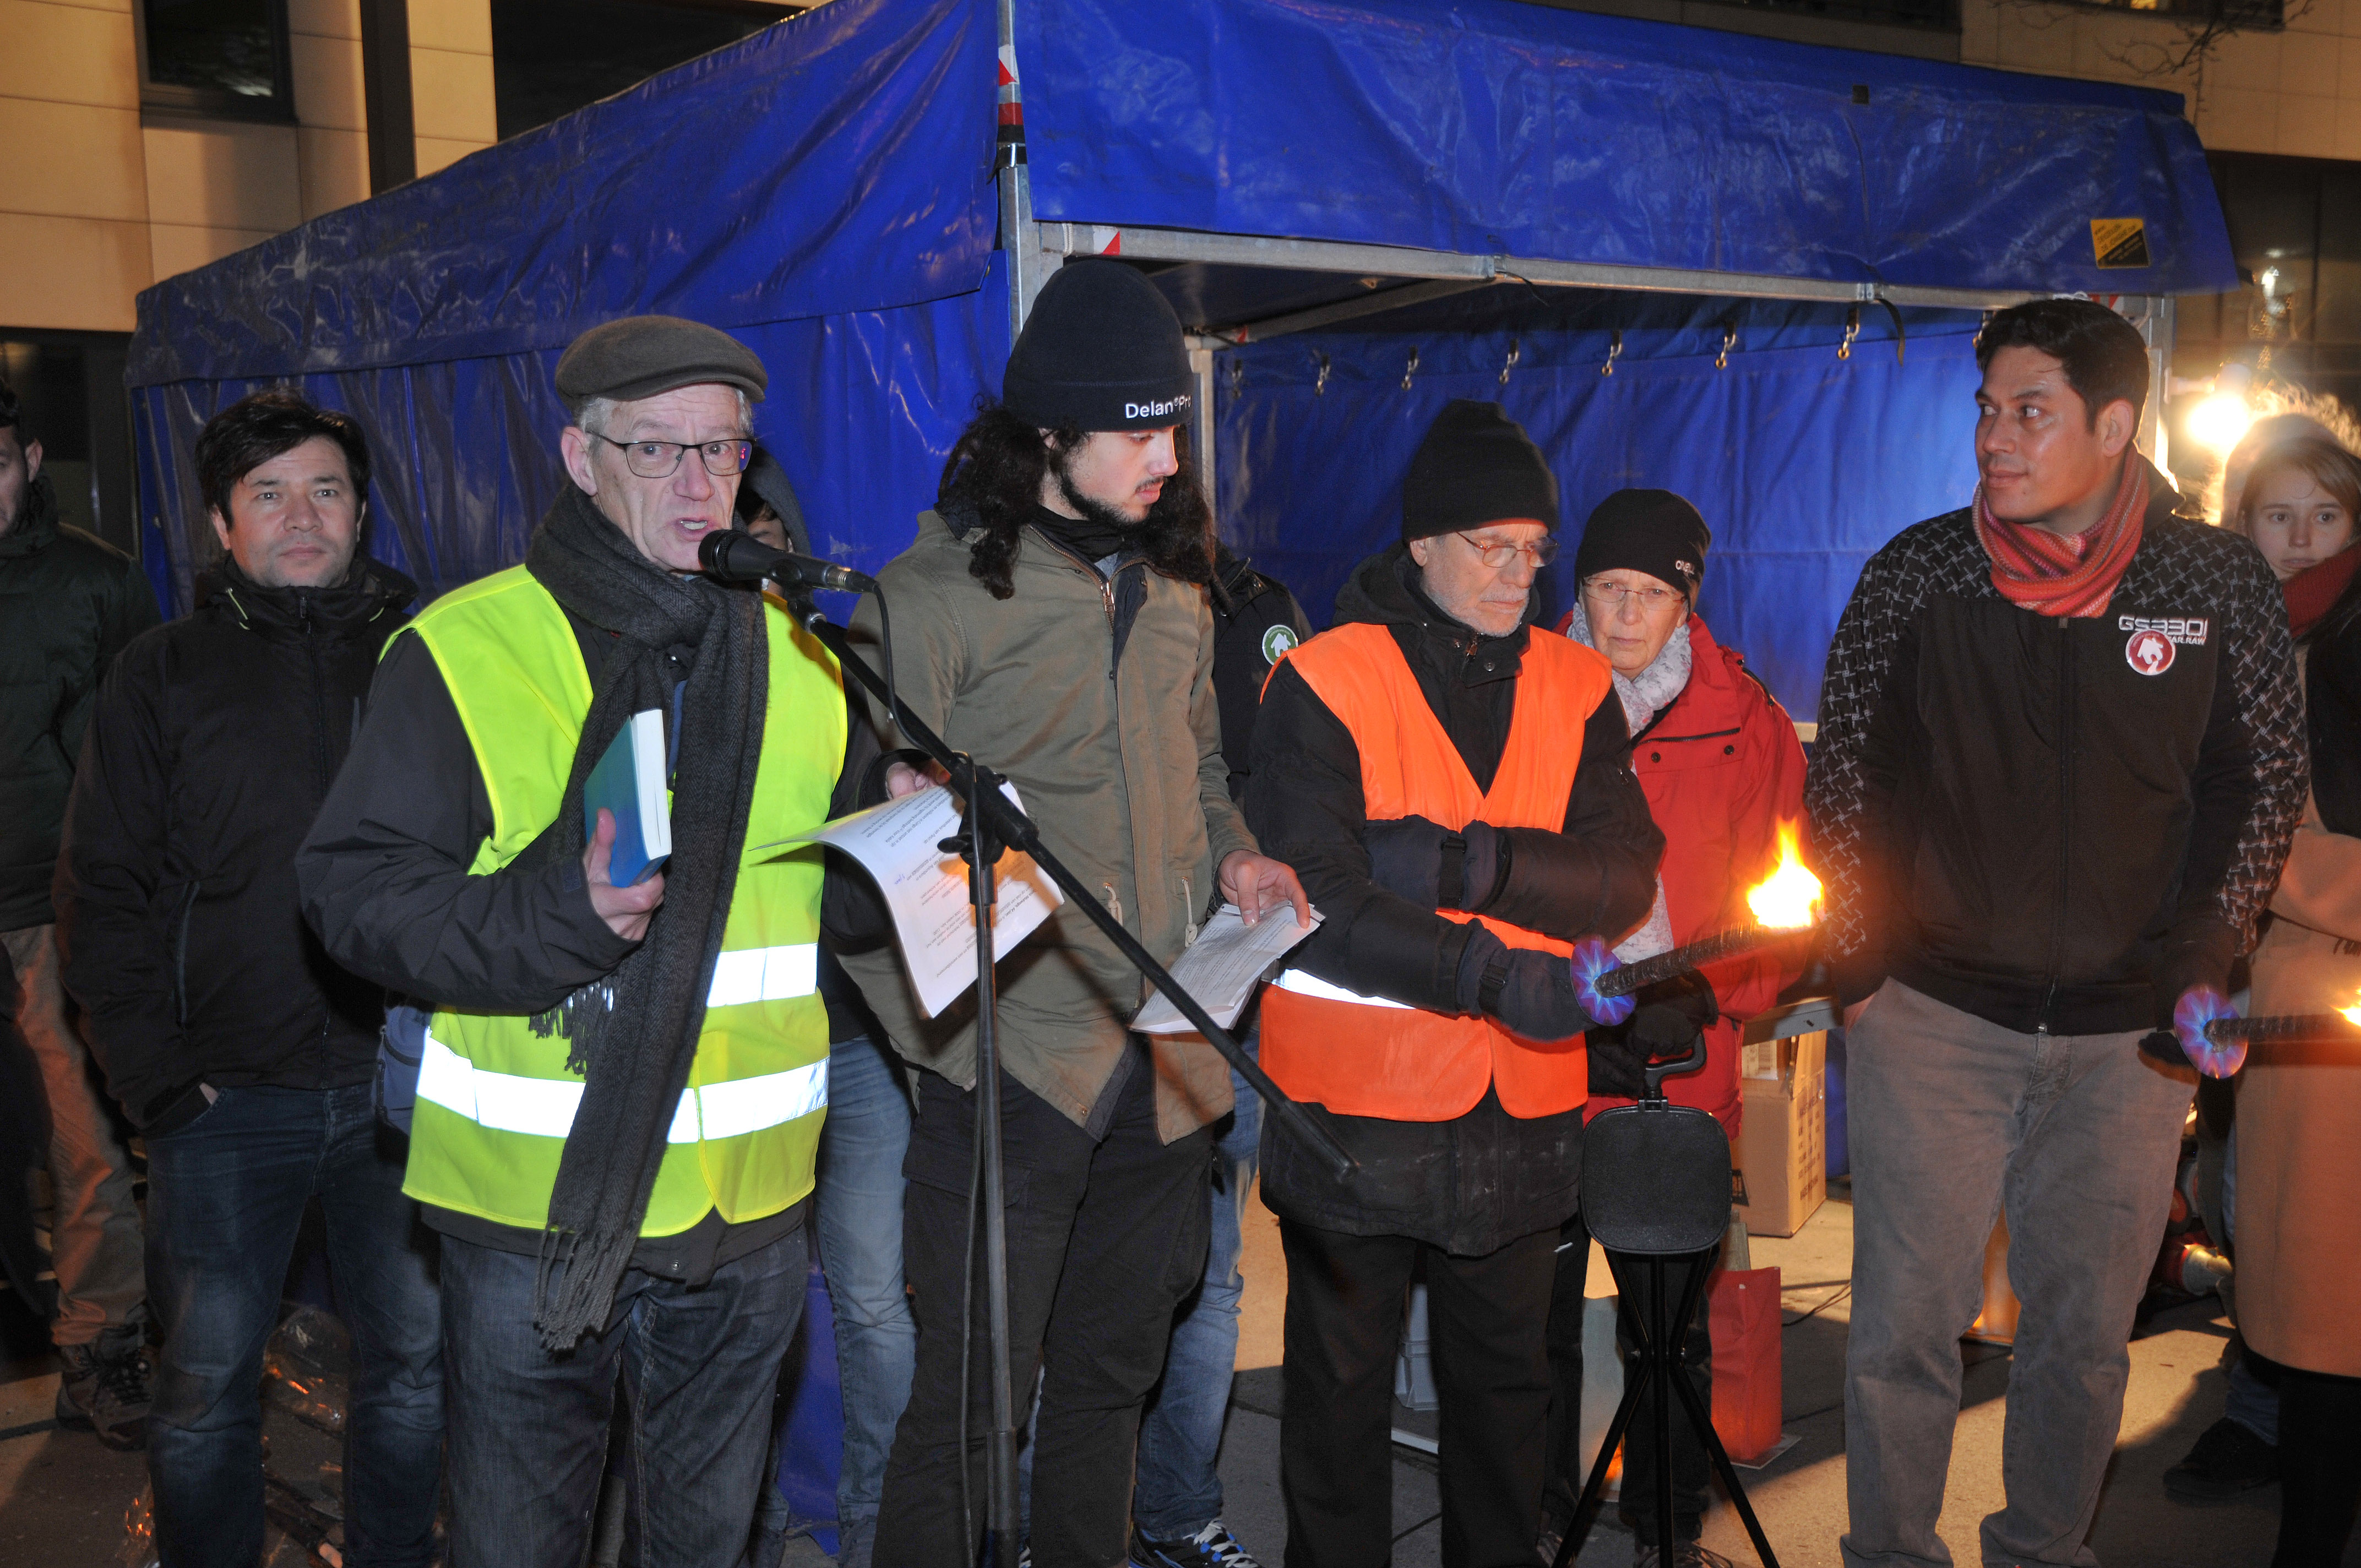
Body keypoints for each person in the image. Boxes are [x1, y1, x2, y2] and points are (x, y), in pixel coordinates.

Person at [298, 317, 895, 1567]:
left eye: (721, 450)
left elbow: (819, 913)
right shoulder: (467, 649)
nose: (697, 484)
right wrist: (557, 915)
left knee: (708, 1546)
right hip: (536, 1219)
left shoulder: (809, 656)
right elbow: (351, 893)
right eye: (656, 450)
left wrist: (907, 854)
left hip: (750, 1215)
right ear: (580, 456)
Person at [1807, 297, 2306, 1568]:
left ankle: (2040, 1549)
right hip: (1934, 1019)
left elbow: (2253, 788)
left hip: (2129, 1037)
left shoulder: (2211, 581)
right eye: (1985, 409)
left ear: (2114, 425)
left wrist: (2203, 960)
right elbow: (1843, 780)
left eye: (2027, 410)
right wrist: (1862, 963)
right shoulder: (1917, 575)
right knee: (1902, 1332)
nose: (1993, 437)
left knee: (2081, 1337)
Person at [835, 258, 1308, 1568]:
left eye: (1177, 426)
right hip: (1012, 1067)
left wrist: (1240, 859)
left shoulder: (1174, 588)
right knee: (969, 1411)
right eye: (1140, 430)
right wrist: (897, 788)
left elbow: (1203, 771)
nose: (1169, 456)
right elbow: (855, 852)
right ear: (1049, 436)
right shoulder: (920, 601)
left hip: (1167, 1051)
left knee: (1110, 1383)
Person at [1244, 399, 1663, 1568]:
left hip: (1520, 1107)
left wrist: (1469, 861)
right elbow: (1314, 896)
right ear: (1420, 542)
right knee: (1337, 1403)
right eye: (1492, 545)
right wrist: (1483, 967)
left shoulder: (1578, 684)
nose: (1519, 572)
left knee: (1504, 1402)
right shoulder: (1326, 679)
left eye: (1535, 548)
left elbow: (1624, 874)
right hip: (1352, 1109)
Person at [52, 391, 438, 1564]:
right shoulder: (160, 674)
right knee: (205, 1384)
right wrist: (158, 1081)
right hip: (225, 1102)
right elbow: (100, 890)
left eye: (325, 489)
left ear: (363, 508)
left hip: (401, 1095)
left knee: (416, 1368)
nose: (301, 515)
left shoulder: (427, 654)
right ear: (223, 523)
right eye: (267, 494)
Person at [1541, 489, 1808, 1567]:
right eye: (1606, 587)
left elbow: (1785, 892)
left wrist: (1706, 993)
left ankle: (1667, 1526)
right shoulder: (1526, 699)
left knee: (1667, 1327)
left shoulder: (1744, 715)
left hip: (1682, 1057)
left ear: (1684, 597)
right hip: (1544, 1050)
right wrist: (1547, 994)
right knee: (1531, 1314)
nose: (1622, 612)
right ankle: (1532, 1512)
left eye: (1649, 591)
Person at [736, 453, 917, 1568]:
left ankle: (873, 1537)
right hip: (727, 1056)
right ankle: (738, 1528)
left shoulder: (841, 669)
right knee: (737, 1311)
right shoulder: (663, 672)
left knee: (872, 1303)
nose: (752, 567)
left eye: (767, 543)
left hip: (850, 1035)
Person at [1129, 540, 1313, 1568]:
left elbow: (1289, 769)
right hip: (1087, 973)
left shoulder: (1254, 605)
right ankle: (1046, 1522)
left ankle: (1178, 1512)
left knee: (1212, 1270)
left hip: (1220, 976)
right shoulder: (1046, 590)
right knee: (1079, 1270)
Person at [2206, 437, 2361, 1564]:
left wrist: (2278, 870)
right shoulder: (2234, 650)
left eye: (2324, 513)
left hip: (2333, 1010)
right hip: (2284, 1020)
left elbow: (2256, 846)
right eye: (2275, 514)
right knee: (2307, 1315)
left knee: (2331, 1313)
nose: (2301, 536)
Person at [0, 373, 160, 1449]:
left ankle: (99, 1348)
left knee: (89, 1139)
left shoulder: (99, 587)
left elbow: (145, 760)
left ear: (23, 459)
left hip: (51, 907)